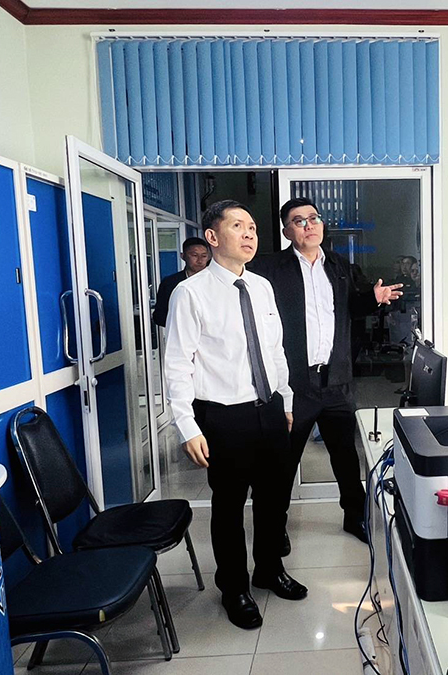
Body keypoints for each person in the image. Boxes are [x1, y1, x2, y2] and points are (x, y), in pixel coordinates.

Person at [163, 200, 307, 630]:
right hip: (223, 417)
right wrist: (187, 426)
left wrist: (286, 400)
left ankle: (269, 569)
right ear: (212, 236)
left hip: (270, 409)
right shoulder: (190, 293)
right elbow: (177, 364)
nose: (249, 234)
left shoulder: (261, 286)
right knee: (228, 508)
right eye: (238, 226)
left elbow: (275, 350)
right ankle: (234, 587)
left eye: (253, 228)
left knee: (274, 499)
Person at [249, 197, 403, 549]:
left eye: (314, 218)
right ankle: (275, 525)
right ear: (287, 231)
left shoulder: (339, 266)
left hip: (336, 381)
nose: (309, 225)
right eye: (299, 220)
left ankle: (354, 516)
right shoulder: (270, 269)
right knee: (283, 461)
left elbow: (353, 308)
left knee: (346, 457)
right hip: (294, 385)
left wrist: (374, 298)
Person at [152, 236, 210, 327]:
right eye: (194, 255)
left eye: (204, 256)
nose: (200, 260)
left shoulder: (215, 281)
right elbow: (159, 316)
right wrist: (182, 322)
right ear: (183, 256)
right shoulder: (170, 283)